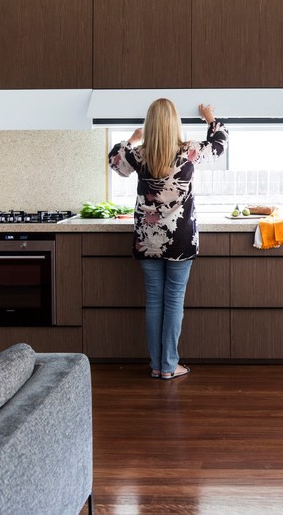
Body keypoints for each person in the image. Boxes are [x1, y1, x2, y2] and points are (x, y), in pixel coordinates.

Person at [109, 99, 228, 380]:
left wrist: (132, 138)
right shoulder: (189, 151)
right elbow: (220, 144)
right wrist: (210, 118)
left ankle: (156, 364)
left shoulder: (140, 154)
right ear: (176, 123)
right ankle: (168, 366)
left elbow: (116, 163)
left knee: (154, 301)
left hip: (147, 239)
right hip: (180, 239)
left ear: (149, 125)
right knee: (173, 300)